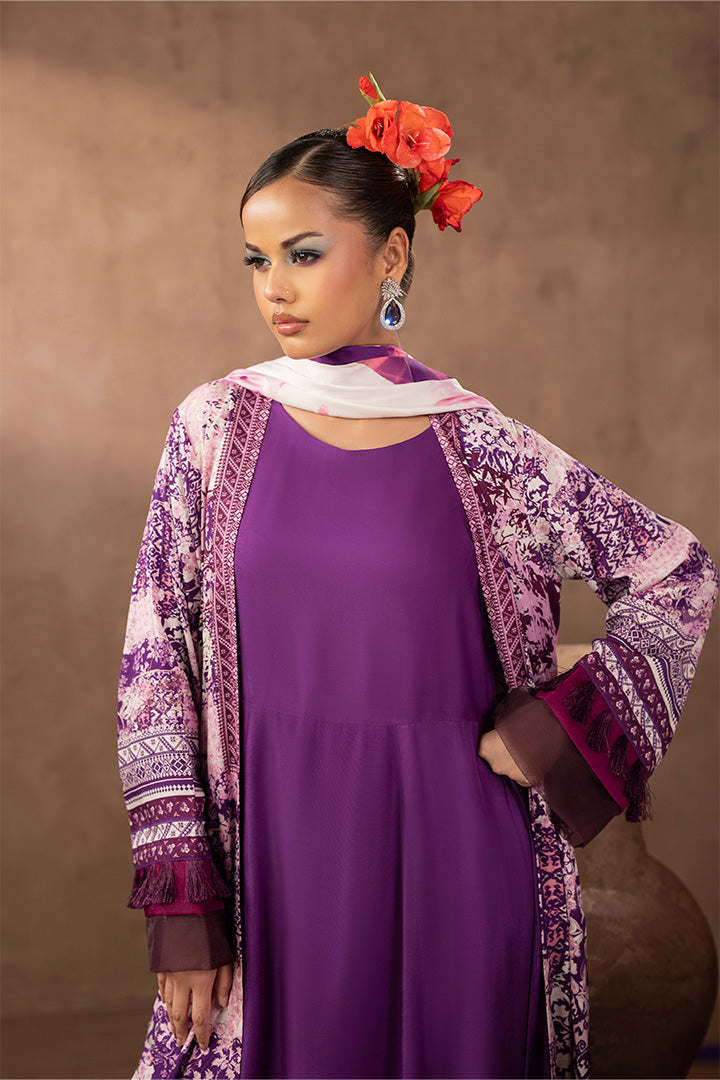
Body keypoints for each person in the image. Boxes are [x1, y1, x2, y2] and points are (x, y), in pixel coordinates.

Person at [117, 74, 719, 1080]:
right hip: (274, 870)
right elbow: (155, 669)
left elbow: (677, 572)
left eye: (305, 254)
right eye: (258, 259)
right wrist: (184, 902)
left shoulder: (483, 448)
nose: (275, 287)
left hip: (465, 863)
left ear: (392, 255)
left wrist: (559, 731)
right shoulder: (214, 429)